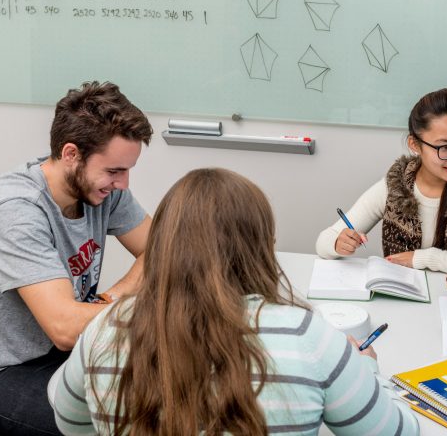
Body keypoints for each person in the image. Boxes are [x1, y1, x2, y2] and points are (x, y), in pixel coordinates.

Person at [49, 167, 419, 435]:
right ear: (259, 247)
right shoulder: (307, 337)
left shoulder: (104, 329)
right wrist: (365, 370)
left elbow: (69, 422)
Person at [0, 81, 153, 435]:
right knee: (119, 424)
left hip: (57, 352)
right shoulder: (15, 212)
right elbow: (65, 327)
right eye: (114, 170)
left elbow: (160, 248)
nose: (123, 184)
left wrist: (111, 297)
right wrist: (151, 313)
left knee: (167, 388)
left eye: (126, 171)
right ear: (70, 154)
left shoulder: (101, 191)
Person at [316, 88, 447, 276]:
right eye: (445, 147)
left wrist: (425, 259)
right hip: (404, 302)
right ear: (414, 144)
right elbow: (323, 242)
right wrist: (338, 243)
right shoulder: (396, 187)